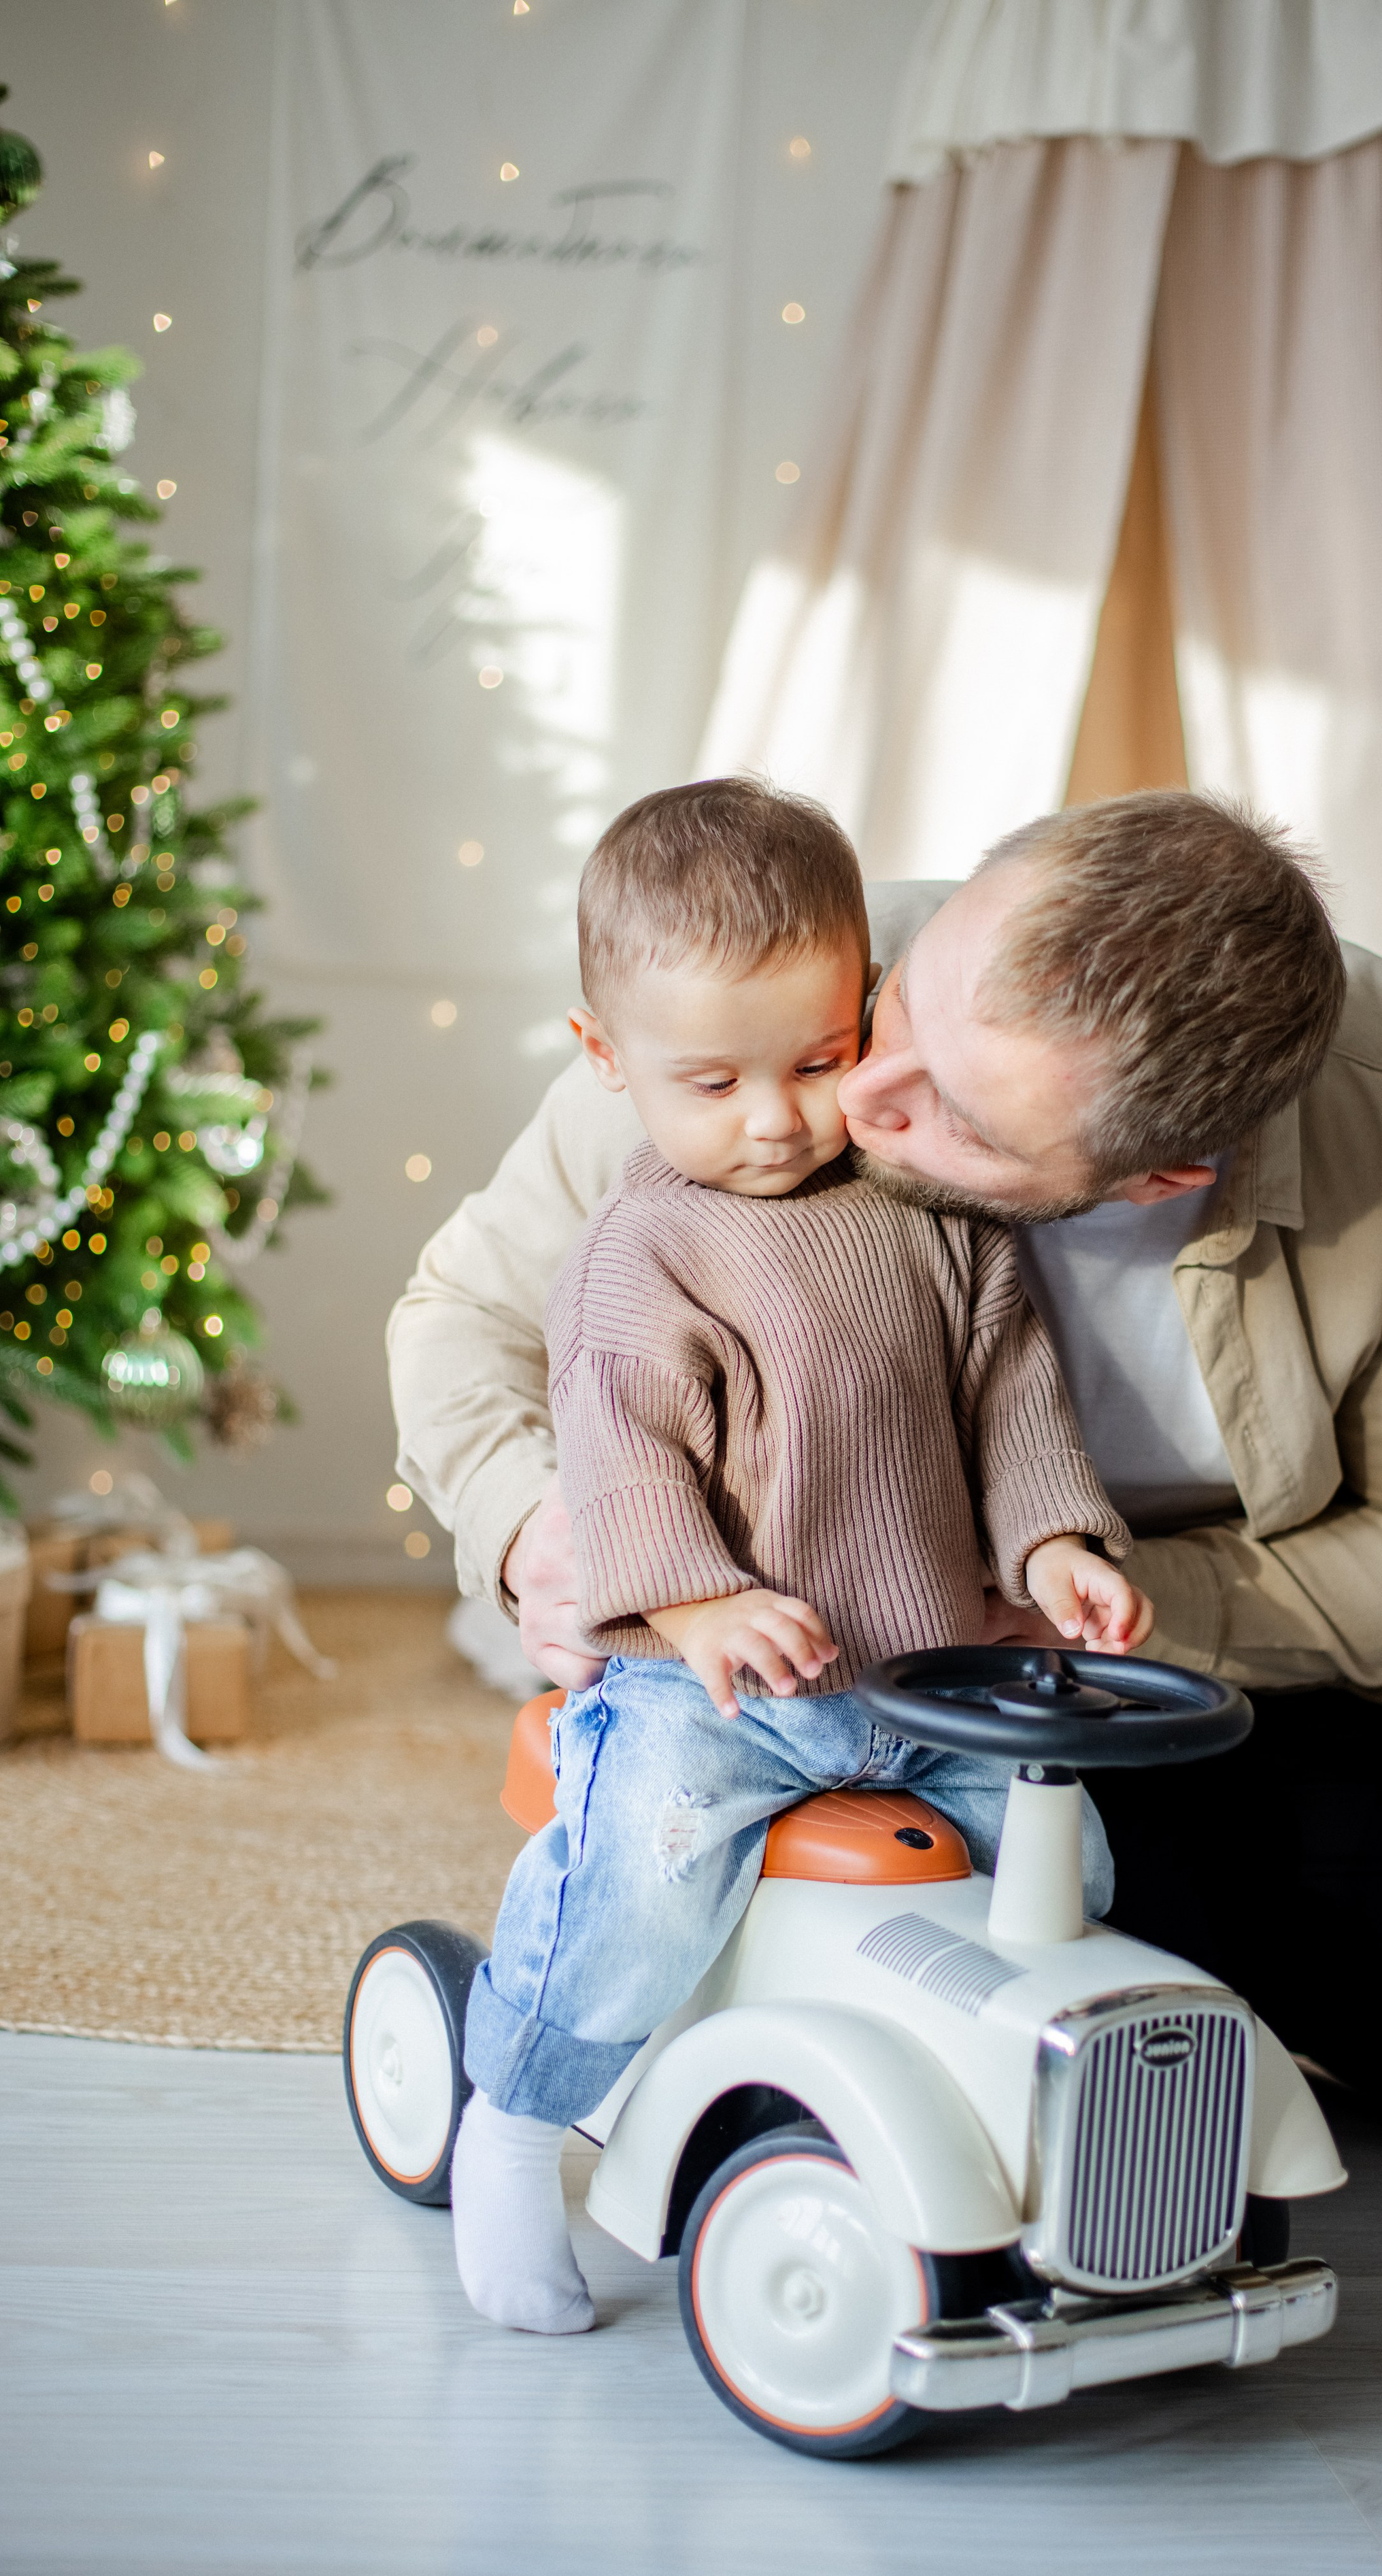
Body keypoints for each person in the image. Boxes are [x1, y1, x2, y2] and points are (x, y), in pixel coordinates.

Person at [390, 784, 1382, 2160]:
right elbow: (464, 1315)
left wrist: (1110, 1615)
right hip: (822, 1628)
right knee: (1015, 2005)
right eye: (903, 1012)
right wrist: (530, 1525)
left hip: (1211, 1635)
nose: (851, 1103)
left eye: (962, 1118)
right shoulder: (783, 1013)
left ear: (1157, 1176)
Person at [451, 779, 1151, 2334]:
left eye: (817, 1061)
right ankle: (510, 2122)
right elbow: (617, 1448)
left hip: (922, 1664)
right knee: (638, 1883)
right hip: (711, 1687)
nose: (771, 1117)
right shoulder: (643, 1250)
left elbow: (1012, 1389)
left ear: (870, 1012)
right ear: (603, 1058)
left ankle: (1030, 2137)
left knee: (1075, 1868)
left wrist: (1053, 1545)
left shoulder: (936, 1210)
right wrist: (697, 1601)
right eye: (710, 1079)